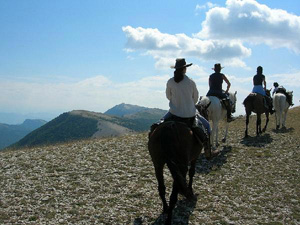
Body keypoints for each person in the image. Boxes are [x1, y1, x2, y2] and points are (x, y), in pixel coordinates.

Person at [150, 58, 217, 159]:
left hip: (173, 113)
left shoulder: (170, 82)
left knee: (156, 125)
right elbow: (195, 99)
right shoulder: (191, 82)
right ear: (184, 69)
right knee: (207, 127)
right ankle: (208, 152)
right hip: (190, 114)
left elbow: (168, 96)